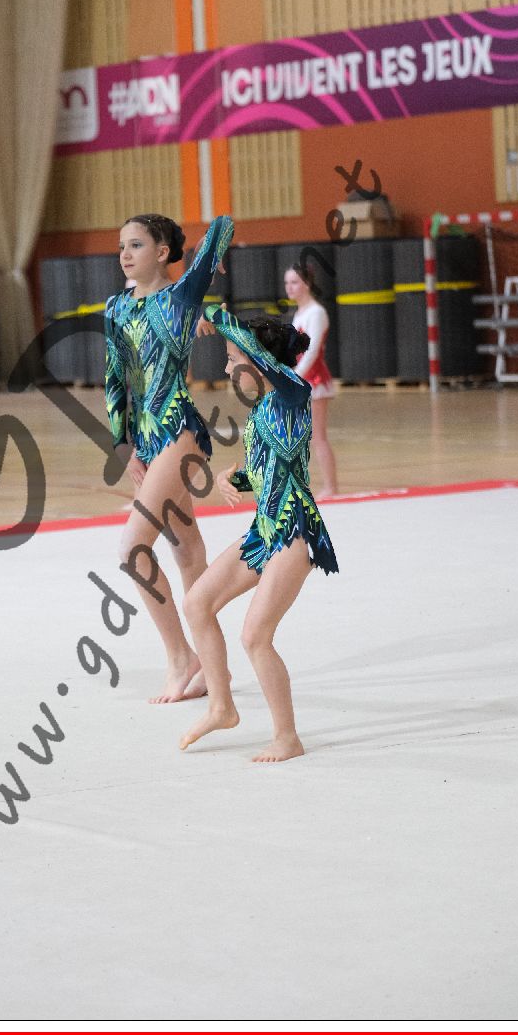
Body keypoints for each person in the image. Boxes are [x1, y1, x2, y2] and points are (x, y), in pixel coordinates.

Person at [180, 306, 338, 762]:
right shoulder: (264, 409)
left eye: (233, 359)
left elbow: (254, 349)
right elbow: (269, 471)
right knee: (197, 603)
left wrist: (210, 313)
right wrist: (233, 479)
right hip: (264, 531)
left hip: (293, 531)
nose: (228, 368)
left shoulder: (292, 393)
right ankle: (221, 706)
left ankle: (287, 737)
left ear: (257, 360)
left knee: (255, 636)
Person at [105, 213, 234, 703]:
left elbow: (222, 224)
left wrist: (212, 255)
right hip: (145, 440)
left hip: (179, 431)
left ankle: (182, 658)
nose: (125, 254)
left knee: (132, 549)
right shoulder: (116, 308)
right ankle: (210, 667)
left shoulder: (180, 298)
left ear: (162, 252)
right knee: (186, 550)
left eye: (136, 244)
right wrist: (122, 445)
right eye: (122, 246)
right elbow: (114, 379)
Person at [283, 260, 338, 499]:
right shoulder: (300, 313)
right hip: (303, 379)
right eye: (287, 283)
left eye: (294, 282)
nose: (289, 287)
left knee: (318, 436)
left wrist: (295, 377)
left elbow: (312, 350)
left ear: (306, 284)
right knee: (305, 437)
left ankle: (331, 487)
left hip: (314, 381)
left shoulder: (316, 312)